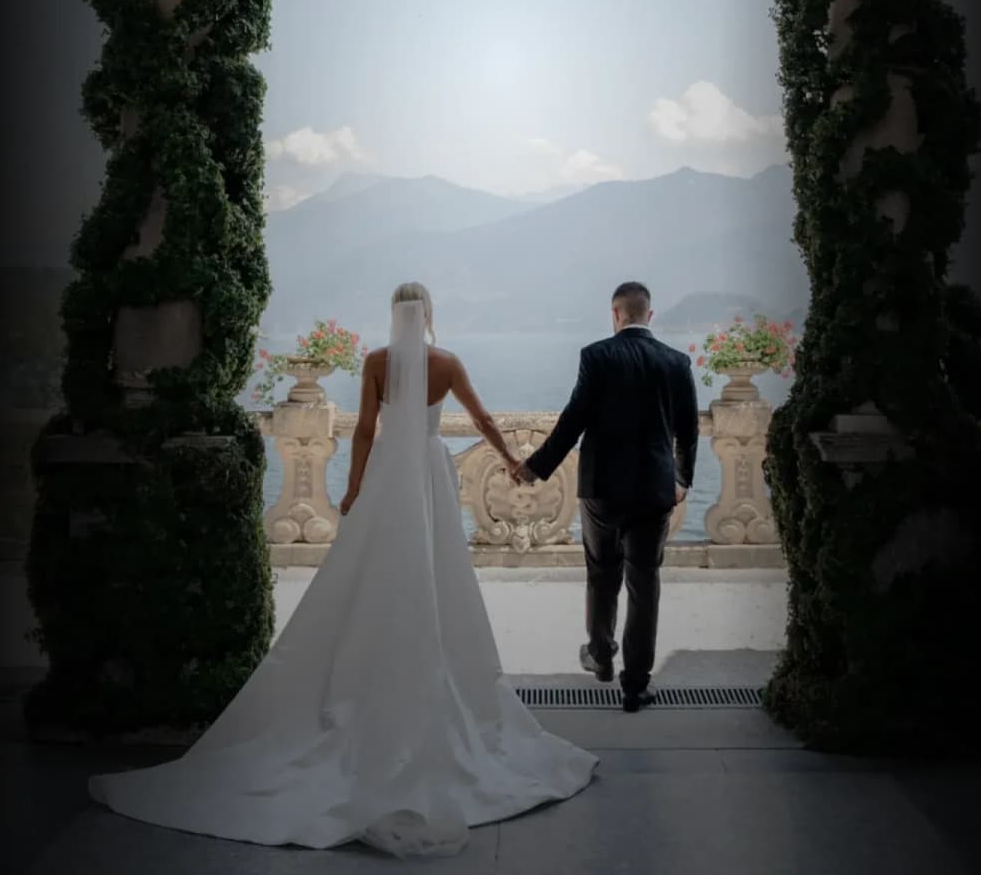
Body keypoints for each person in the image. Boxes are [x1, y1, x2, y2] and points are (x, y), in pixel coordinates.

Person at [87, 282, 597, 858]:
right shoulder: (448, 363)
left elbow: (363, 431)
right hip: (429, 469)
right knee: (435, 568)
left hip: (389, 473)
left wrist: (353, 489)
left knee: (373, 567)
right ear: (427, 314)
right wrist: (511, 462)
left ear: (393, 314)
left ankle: (370, 656)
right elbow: (481, 420)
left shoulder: (377, 361)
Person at [512, 280, 700, 712]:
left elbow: (572, 422)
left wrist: (534, 468)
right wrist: (682, 481)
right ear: (649, 316)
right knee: (644, 584)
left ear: (615, 314)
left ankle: (600, 657)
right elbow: (688, 433)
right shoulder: (677, 362)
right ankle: (636, 685)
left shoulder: (596, 356)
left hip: (601, 490)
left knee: (601, 574)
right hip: (654, 490)